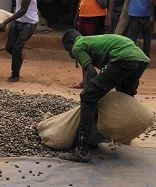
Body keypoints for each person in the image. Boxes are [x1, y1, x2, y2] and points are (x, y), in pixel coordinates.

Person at [60, 29, 150, 162]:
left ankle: (82, 150)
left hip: (122, 57)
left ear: (72, 42)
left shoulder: (78, 45)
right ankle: (126, 136)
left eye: (67, 49)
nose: (70, 54)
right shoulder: (93, 40)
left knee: (87, 97)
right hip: (140, 59)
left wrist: (90, 93)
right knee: (123, 97)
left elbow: (91, 73)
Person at [73, 0, 116, 88]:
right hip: (83, 18)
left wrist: (108, 17)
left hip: (98, 19)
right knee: (83, 49)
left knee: (98, 51)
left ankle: (101, 80)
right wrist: (76, 16)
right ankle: (85, 80)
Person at [0, 0, 39, 82]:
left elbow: (23, 10)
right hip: (18, 20)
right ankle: (19, 56)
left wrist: (6, 21)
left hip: (29, 23)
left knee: (16, 48)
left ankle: (15, 75)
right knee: (9, 47)